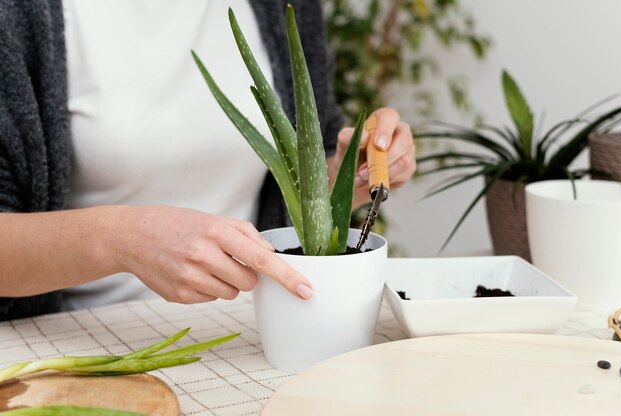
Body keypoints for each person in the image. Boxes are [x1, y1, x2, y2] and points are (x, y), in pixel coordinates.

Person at [0, 0, 416, 320]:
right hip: (81, 345)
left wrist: (351, 173)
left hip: (252, 331)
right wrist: (122, 238)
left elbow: (306, 172)